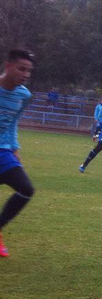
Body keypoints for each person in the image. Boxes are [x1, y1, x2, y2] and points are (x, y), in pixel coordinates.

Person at [0, 49, 36, 257]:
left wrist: (14, 147)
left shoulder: (24, 95)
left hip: (4, 151)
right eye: (21, 69)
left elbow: (13, 122)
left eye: (28, 71)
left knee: (26, 189)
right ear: (8, 66)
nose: (25, 75)